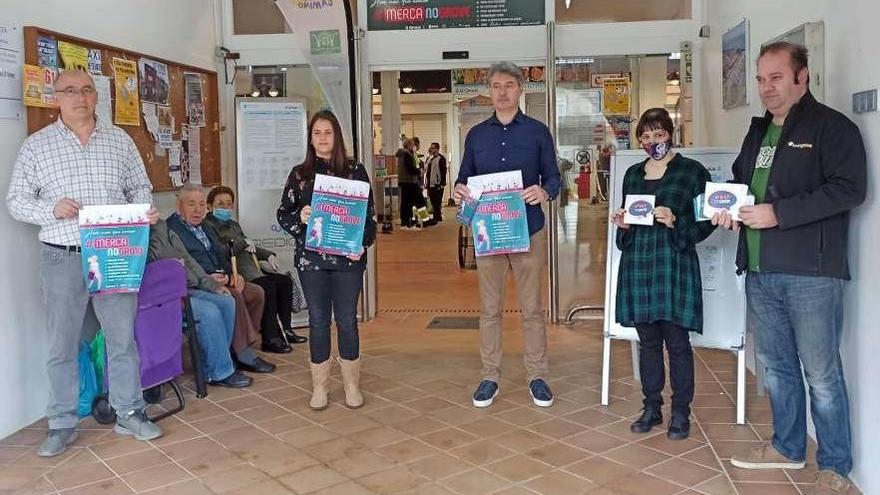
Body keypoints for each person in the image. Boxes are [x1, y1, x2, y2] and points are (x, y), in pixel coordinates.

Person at [714, 42, 866, 494]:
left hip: (811, 273)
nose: (766, 88)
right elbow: (742, 183)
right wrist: (725, 206)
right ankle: (788, 446)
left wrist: (779, 213)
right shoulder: (758, 131)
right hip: (760, 267)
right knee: (776, 367)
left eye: (776, 78)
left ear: (803, 77)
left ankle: (836, 466)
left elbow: (849, 190)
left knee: (821, 373)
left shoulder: (832, 128)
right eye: (761, 79)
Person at [6, 69, 162, 456]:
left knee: (121, 339)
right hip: (63, 257)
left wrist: (144, 210)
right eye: (70, 91)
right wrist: (50, 208)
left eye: (87, 90)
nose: (80, 97)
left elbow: (140, 187)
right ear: (56, 97)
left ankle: (130, 412)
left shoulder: (119, 141)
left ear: (97, 97)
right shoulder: (36, 146)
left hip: (113, 254)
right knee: (63, 343)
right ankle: (61, 422)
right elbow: (15, 201)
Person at [453, 61, 561, 409]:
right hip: (489, 234)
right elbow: (464, 177)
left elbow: (555, 178)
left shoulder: (538, 132)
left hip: (528, 229)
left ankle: (537, 376)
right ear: (489, 91)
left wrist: (544, 193)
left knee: (531, 308)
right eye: (496, 86)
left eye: (509, 86)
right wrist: (458, 189)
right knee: (489, 309)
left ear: (520, 89)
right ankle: (490, 376)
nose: (502, 92)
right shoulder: (476, 135)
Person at [610, 108, 715, 441]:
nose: (651, 141)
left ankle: (681, 411)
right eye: (645, 136)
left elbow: (707, 221)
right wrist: (623, 225)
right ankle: (651, 407)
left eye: (658, 134)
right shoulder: (632, 174)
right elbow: (624, 234)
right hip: (639, 267)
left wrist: (675, 221)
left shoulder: (692, 172)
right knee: (648, 343)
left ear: (670, 134)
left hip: (674, 267)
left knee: (678, 344)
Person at [277, 110, 377, 410]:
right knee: (319, 321)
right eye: (317, 133)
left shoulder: (355, 170)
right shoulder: (300, 174)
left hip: (348, 260)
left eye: (328, 132)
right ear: (310, 138)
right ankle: (320, 387)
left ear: (337, 136)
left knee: (347, 320)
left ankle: (351, 385)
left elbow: (369, 217)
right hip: (312, 262)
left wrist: (362, 243)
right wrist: (301, 217)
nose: (322, 138)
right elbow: (283, 214)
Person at [167, 184, 275, 374]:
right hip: (198, 284)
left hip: (221, 277)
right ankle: (242, 352)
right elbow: (183, 265)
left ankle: (238, 344)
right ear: (179, 206)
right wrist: (208, 279)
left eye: (201, 204)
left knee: (256, 292)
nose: (198, 210)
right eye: (191, 204)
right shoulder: (172, 229)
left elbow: (220, 254)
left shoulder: (206, 226)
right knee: (233, 297)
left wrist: (234, 275)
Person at [148, 219, 252, 388]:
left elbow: (189, 261)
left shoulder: (165, 229)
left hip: (187, 288)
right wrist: (154, 229)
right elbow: (154, 258)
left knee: (227, 302)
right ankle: (220, 372)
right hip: (162, 297)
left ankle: (213, 366)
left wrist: (212, 285)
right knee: (209, 312)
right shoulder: (143, 234)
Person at [204, 185, 308, 350]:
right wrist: (241, 242)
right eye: (220, 203)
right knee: (268, 287)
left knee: (284, 282)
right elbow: (221, 252)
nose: (225, 207)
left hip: (253, 268)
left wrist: (268, 255)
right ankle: (270, 338)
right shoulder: (207, 226)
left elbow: (250, 245)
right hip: (239, 272)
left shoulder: (233, 225)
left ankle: (286, 330)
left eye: (229, 203)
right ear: (209, 206)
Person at [396, 138, 423, 230]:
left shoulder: (401, 154)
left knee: (406, 202)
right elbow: (410, 169)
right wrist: (419, 171)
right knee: (418, 201)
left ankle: (406, 222)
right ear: (408, 145)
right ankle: (422, 220)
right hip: (410, 182)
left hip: (403, 181)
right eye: (412, 144)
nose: (414, 146)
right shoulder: (407, 155)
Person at [425, 142, 447, 223]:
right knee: (432, 200)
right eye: (431, 148)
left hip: (438, 183)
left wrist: (442, 183)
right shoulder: (430, 159)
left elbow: (443, 171)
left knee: (437, 200)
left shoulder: (441, 159)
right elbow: (426, 170)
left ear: (437, 149)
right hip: (430, 183)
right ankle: (436, 216)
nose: (431, 149)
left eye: (433, 148)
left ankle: (437, 216)